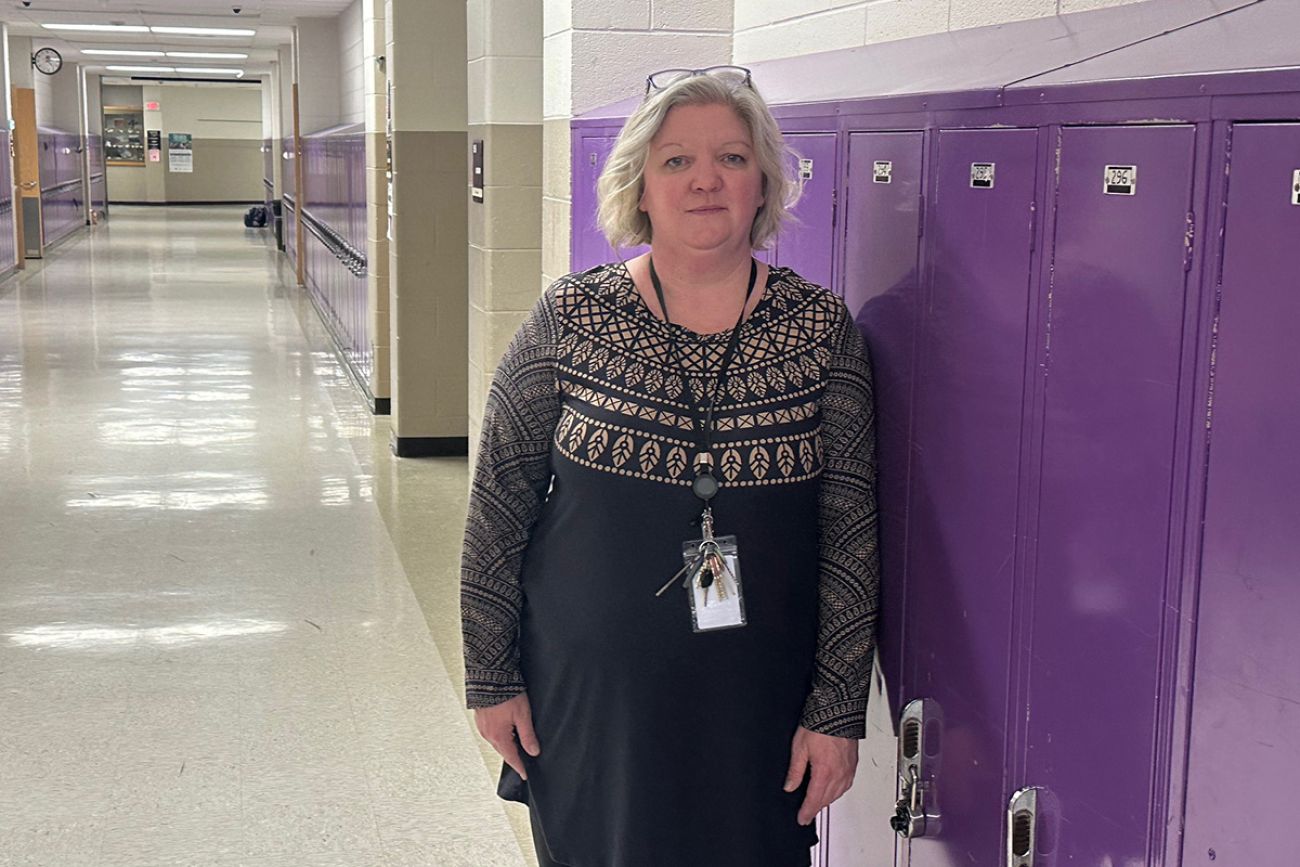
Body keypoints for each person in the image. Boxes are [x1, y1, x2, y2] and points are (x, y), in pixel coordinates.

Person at [460, 65, 879, 867]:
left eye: (731, 157)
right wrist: (490, 675)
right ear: (640, 188)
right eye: (676, 161)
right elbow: (499, 505)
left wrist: (837, 710)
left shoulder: (824, 333)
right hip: (588, 703)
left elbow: (851, 532)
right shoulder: (570, 317)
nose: (705, 181)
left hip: (757, 704)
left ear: (762, 186)